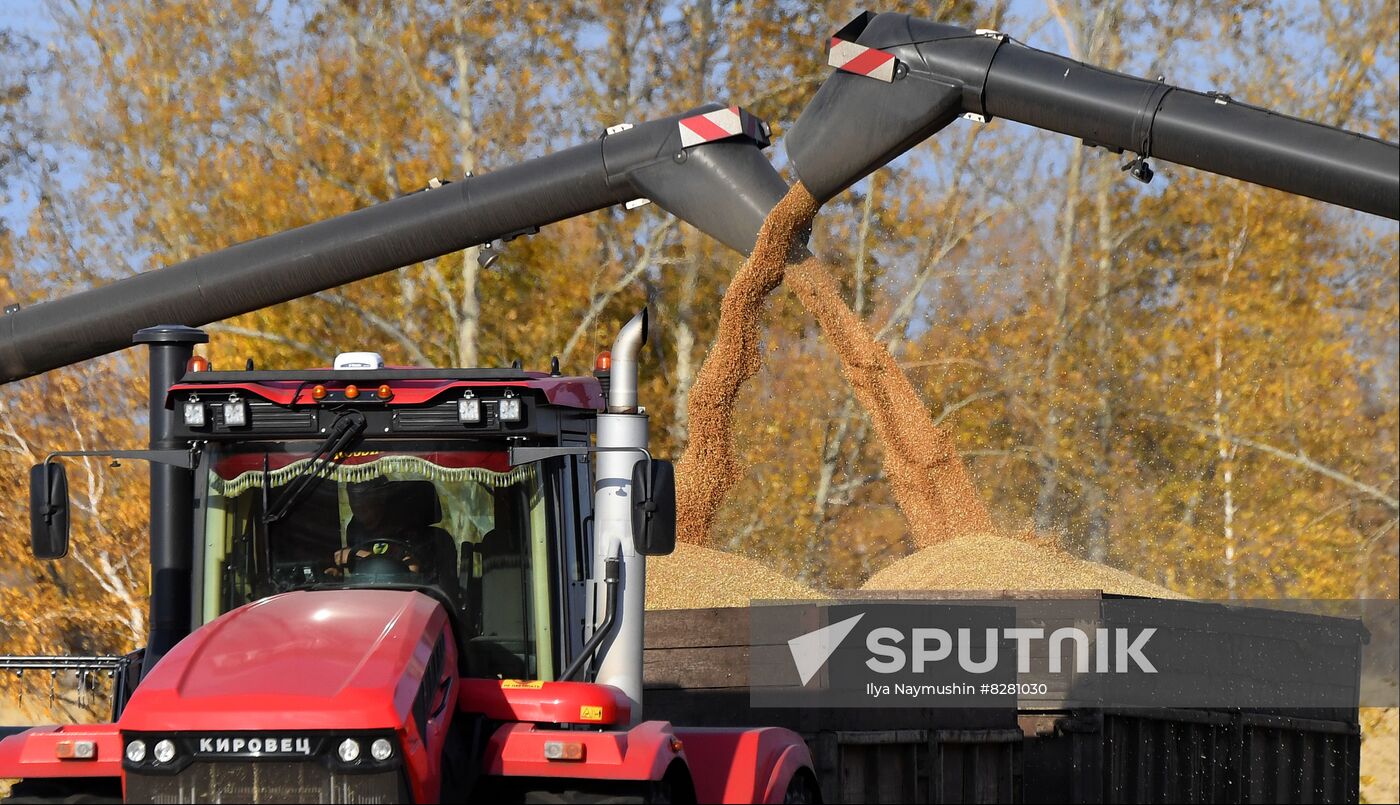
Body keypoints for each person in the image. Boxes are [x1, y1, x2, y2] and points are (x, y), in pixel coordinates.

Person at [333, 478, 461, 602]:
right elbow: (361, 576)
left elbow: (411, 571)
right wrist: (338, 576)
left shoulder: (420, 535)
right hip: (366, 602)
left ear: (381, 497)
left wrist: (358, 554)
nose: (358, 507)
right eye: (353, 500)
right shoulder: (356, 532)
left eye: (364, 498)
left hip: (416, 605)